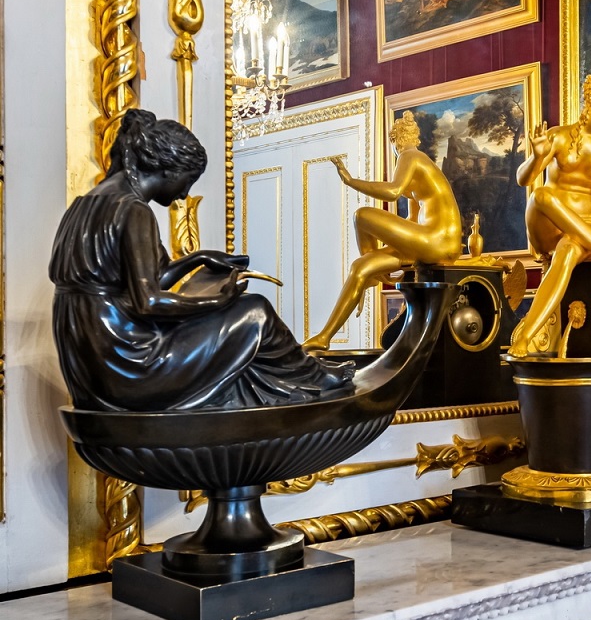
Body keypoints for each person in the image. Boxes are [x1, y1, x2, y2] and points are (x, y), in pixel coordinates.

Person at [49, 109, 352, 412]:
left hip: (89, 362)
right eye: (189, 180)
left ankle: (303, 378)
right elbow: (148, 302)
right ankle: (315, 379)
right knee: (255, 312)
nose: (185, 194)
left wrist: (199, 258)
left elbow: (149, 280)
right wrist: (218, 301)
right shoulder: (134, 210)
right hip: (128, 361)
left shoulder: (84, 204)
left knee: (236, 326)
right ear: (169, 170)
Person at [305, 111, 463, 349]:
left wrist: (351, 181)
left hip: (437, 241)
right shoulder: (418, 165)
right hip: (429, 242)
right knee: (360, 267)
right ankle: (324, 337)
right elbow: (411, 220)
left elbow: (392, 192)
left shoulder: (410, 156)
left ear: (395, 141)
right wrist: (378, 258)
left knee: (362, 215)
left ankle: (372, 277)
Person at [509, 76, 591, 357]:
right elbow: (523, 179)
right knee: (541, 194)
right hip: (547, 224)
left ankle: (526, 336)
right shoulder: (558, 136)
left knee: (568, 252)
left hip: (588, 229)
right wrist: (537, 157)